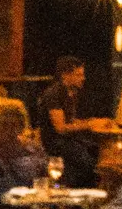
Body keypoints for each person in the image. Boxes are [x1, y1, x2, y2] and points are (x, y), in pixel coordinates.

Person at [39, 56, 99, 187]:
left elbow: (70, 121)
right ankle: (75, 193)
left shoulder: (70, 93)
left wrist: (91, 121)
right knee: (87, 162)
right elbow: (60, 128)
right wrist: (88, 125)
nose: (83, 78)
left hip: (67, 140)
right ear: (65, 75)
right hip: (55, 142)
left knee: (95, 150)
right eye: (78, 74)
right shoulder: (54, 94)